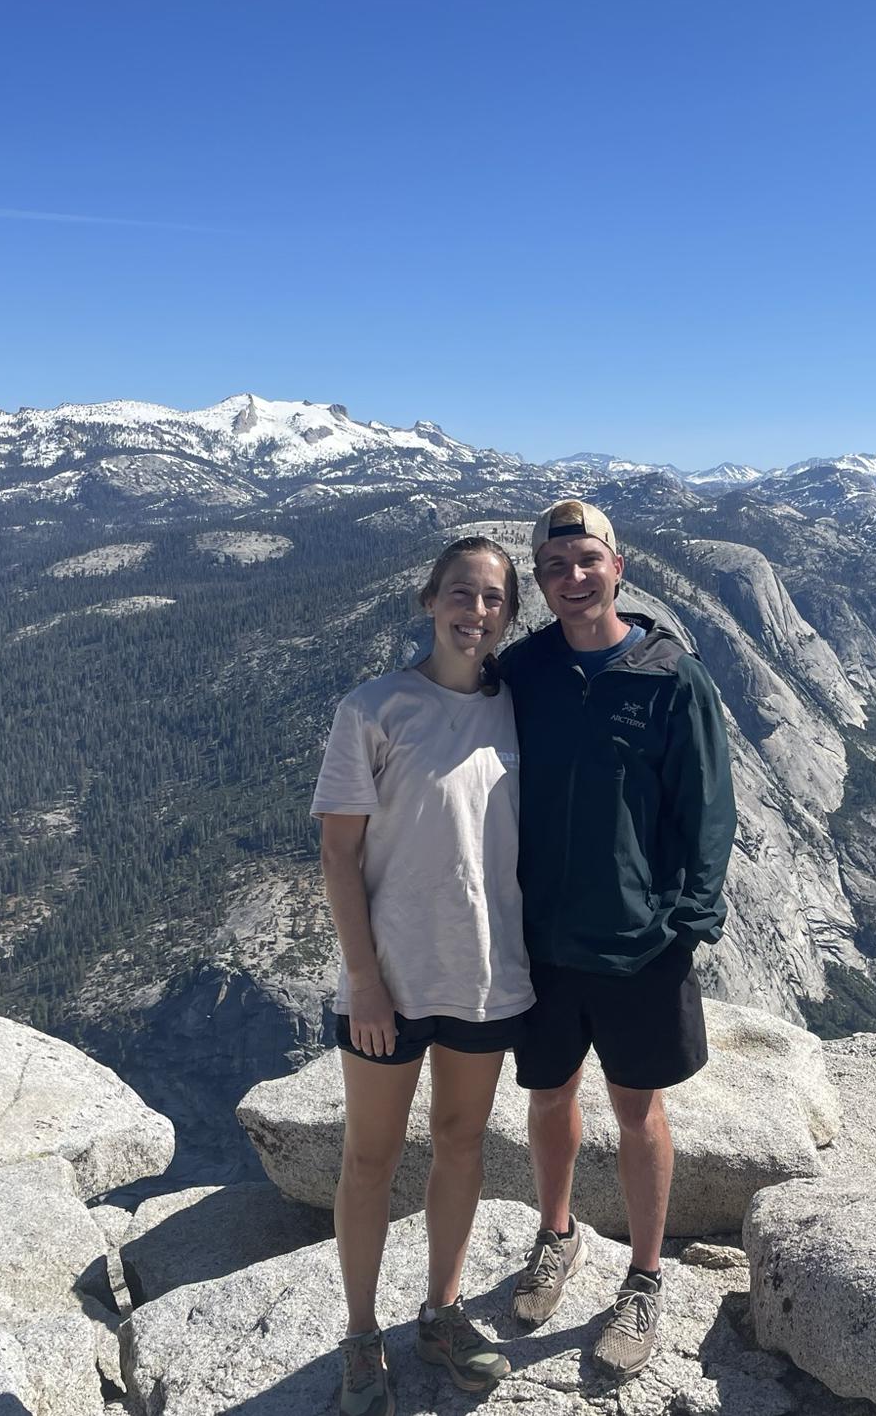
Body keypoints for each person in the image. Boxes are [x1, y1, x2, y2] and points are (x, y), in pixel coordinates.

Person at [496, 499, 736, 1380]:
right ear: (540, 582)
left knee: (639, 1112)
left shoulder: (671, 675)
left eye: (586, 560)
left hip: (641, 942)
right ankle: (555, 1236)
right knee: (550, 1097)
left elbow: (709, 811)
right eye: (554, 567)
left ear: (618, 565)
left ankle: (643, 1276)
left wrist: (690, 927)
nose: (573, 577)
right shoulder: (521, 671)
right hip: (546, 941)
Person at [312, 536, 534, 1413]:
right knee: (368, 1160)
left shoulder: (519, 710)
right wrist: (363, 982)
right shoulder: (371, 710)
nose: (474, 612)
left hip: (485, 973)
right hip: (391, 981)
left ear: (510, 617)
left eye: (492, 600)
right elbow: (337, 853)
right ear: (427, 599)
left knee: (463, 1145)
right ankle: (361, 1338)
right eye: (460, 593)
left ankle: (440, 1313)